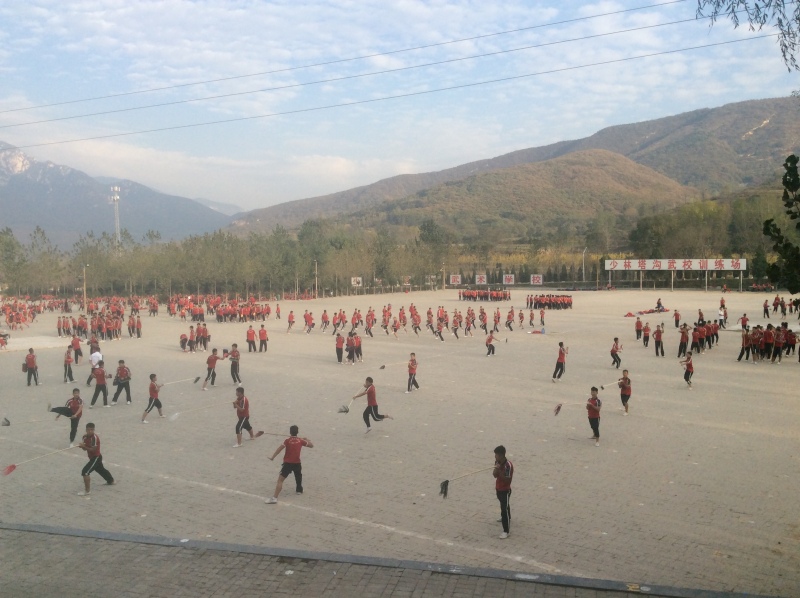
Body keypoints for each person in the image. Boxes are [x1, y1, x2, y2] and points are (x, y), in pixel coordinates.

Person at [265, 425, 314, 504]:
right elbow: (311, 445)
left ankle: (274, 498)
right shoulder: (300, 441)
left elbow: (279, 449)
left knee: (280, 480)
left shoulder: (287, 440)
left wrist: (272, 457)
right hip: (297, 462)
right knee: (298, 476)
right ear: (297, 432)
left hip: (288, 463)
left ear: (290, 432)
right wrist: (306, 439)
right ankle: (299, 490)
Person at [77, 422, 115, 496]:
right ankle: (111, 480)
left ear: (94, 430)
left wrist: (83, 447)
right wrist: (82, 447)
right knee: (100, 469)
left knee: (85, 472)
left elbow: (93, 450)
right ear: (86, 430)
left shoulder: (94, 438)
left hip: (96, 457)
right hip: (92, 457)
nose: (90, 431)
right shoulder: (84, 437)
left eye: (92, 430)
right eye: (88, 430)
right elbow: (85, 449)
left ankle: (87, 491)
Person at [493, 445, 513, 539]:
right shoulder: (497, 462)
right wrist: (496, 468)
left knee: (504, 508)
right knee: (504, 505)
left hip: (505, 490)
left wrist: (500, 471)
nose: (495, 457)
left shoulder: (508, 465)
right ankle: (505, 517)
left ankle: (506, 531)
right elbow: (494, 475)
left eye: (496, 455)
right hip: (498, 488)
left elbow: (508, 480)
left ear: (501, 455)